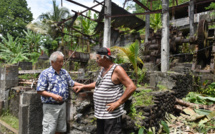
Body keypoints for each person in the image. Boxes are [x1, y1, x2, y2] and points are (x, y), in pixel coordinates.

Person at [73, 47, 136, 134]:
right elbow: (98, 84)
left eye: (98, 58)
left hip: (111, 115)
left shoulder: (117, 69)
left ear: (104, 58)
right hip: (101, 114)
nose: (96, 60)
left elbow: (131, 87)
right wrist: (83, 86)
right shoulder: (103, 69)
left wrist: (118, 103)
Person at [37, 51, 83, 134]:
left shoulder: (64, 72)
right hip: (50, 106)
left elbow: (71, 83)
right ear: (52, 62)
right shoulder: (45, 73)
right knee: (49, 130)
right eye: (60, 62)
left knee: (60, 129)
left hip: (62, 105)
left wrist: (84, 86)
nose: (62, 64)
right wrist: (53, 95)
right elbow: (40, 90)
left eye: (63, 61)